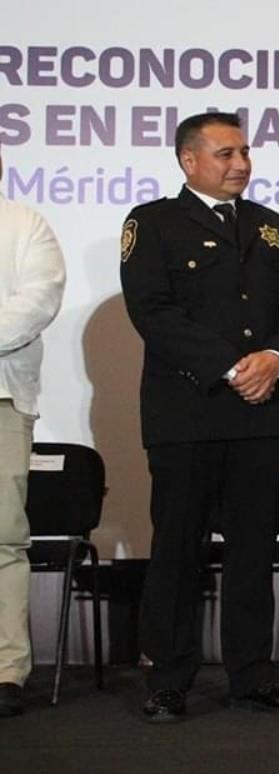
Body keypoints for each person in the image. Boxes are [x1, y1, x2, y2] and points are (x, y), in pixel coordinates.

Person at [120, 112, 279, 722]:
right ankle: (170, 677)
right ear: (189, 161)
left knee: (253, 551)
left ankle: (253, 674)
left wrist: (277, 358)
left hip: (262, 415)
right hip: (190, 413)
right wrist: (236, 368)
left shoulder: (273, 228)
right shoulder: (151, 224)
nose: (241, 164)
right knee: (178, 547)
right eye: (226, 154)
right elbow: (153, 311)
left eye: (245, 153)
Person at [0, 144, 66, 717]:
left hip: (1, 394)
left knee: (1, 538)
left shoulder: (23, 224)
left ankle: (6, 669)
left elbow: (37, 301)